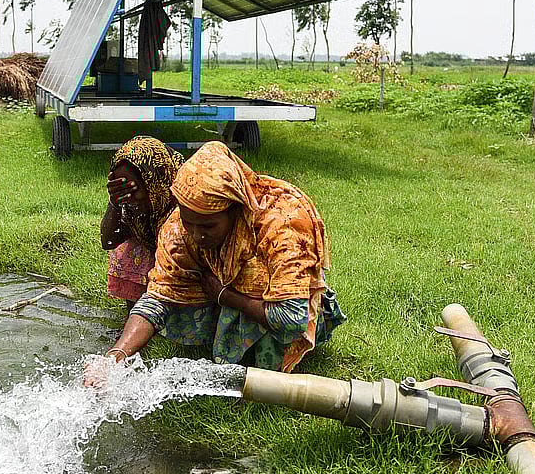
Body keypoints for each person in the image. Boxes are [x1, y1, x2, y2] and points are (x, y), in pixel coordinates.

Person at [90, 141, 344, 380]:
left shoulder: (283, 223)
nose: (198, 235)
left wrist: (225, 296)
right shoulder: (178, 228)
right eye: (190, 221)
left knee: (266, 341)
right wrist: (117, 355)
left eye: (209, 225)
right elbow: (157, 298)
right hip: (224, 294)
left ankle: (263, 365)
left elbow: (292, 318)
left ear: (235, 209)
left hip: (284, 309)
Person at [100, 136, 185, 309]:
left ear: (154, 182)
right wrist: (114, 203)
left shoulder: (185, 198)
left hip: (187, 274)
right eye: (121, 189)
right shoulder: (131, 205)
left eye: (132, 189)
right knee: (128, 250)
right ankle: (138, 315)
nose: (128, 198)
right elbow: (108, 240)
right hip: (154, 253)